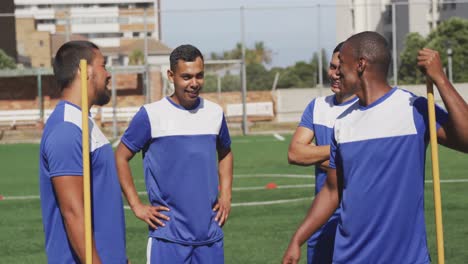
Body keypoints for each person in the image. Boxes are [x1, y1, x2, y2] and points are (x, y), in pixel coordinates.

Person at [282, 31, 468, 264]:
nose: (337, 72)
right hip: (349, 258)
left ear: (360, 65)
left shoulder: (412, 109)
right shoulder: (343, 123)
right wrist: (297, 238)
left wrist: (440, 79)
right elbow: (332, 190)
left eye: (343, 64)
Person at [115, 44, 233, 264]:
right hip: (168, 238)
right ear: (171, 75)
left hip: (209, 237)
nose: (194, 83)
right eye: (186, 77)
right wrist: (137, 206)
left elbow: (225, 153)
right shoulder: (151, 115)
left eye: (199, 76)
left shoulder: (215, 113)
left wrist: (226, 195)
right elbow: (120, 157)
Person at [39, 41, 128, 263]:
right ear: (84, 70)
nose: (108, 74)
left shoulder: (82, 121)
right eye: (103, 65)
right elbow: (72, 212)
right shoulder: (67, 130)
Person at [287, 42, 357, 264]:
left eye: (340, 68)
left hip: (357, 220)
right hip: (321, 219)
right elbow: (295, 153)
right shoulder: (317, 107)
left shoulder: (366, 108)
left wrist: (317, 155)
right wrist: (342, 150)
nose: (334, 74)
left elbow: (361, 163)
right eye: (331, 66)